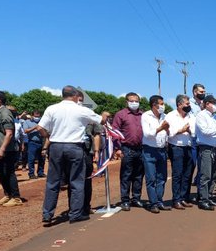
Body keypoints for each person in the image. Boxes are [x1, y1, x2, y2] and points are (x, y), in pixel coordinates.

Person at [38, 85, 104, 223]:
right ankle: (75, 214)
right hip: (74, 147)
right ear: (75, 96)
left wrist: (49, 137)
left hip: (55, 146)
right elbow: (101, 121)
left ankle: (47, 214)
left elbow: (40, 128)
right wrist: (104, 116)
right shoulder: (81, 110)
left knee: (53, 182)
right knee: (76, 181)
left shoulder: (52, 108)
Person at [113, 92, 145, 211]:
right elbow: (115, 132)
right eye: (132, 101)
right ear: (126, 102)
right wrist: (118, 148)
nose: (134, 103)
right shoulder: (120, 114)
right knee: (126, 175)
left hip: (141, 149)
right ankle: (125, 200)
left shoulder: (143, 115)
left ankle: (136, 198)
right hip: (127, 148)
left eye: (136, 101)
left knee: (139, 175)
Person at [0, 91, 22, 207]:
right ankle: (8, 195)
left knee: (9, 172)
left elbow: (9, 133)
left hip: (7, 149)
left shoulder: (5, 113)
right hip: (0, 148)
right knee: (0, 171)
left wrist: (2, 149)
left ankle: (16, 197)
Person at [141, 95, 171, 213]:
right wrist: (161, 128)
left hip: (162, 150)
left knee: (162, 178)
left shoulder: (165, 116)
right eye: (161, 104)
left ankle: (159, 201)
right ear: (154, 105)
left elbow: (170, 132)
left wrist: (167, 130)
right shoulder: (146, 116)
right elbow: (147, 134)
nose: (163, 106)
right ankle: (153, 203)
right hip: (150, 150)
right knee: (151, 178)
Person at [166, 94, 196, 209]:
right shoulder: (171, 116)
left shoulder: (191, 116)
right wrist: (181, 130)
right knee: (177, 174)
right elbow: (169, 132)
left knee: (187, 174)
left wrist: (188, 131)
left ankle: (184, 198)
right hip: (176, 147)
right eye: (187, 104)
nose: (189, 106)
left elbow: (194, 132)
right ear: (179, 105)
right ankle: (176, 200)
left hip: (188, 147)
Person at [23, 110, 46, 178]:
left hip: (41, 142)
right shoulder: (27, 122)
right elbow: (26, 130)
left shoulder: (42, 122)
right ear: (32, 115)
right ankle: (31, 173)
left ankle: (40, 172)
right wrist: (35, 127)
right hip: (32, 142)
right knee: (31, 159)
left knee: (42, 158)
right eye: (35, 115)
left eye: (38, 116)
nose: (37, 117)